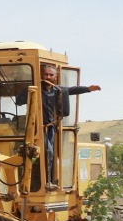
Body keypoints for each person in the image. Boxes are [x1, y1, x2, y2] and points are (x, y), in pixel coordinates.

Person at [38, 62, 100, 190]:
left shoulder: (58, 90)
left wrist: (88, 89)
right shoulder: (36, 90)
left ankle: (50, 181)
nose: (48, 77)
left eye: (50, 75)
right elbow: (20, 100)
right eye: (46, 74)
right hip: (38, 128)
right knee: (48, 152)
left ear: (56, 76)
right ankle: (46, 181)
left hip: (50, 128)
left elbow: (72, 90)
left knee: (51, 152)